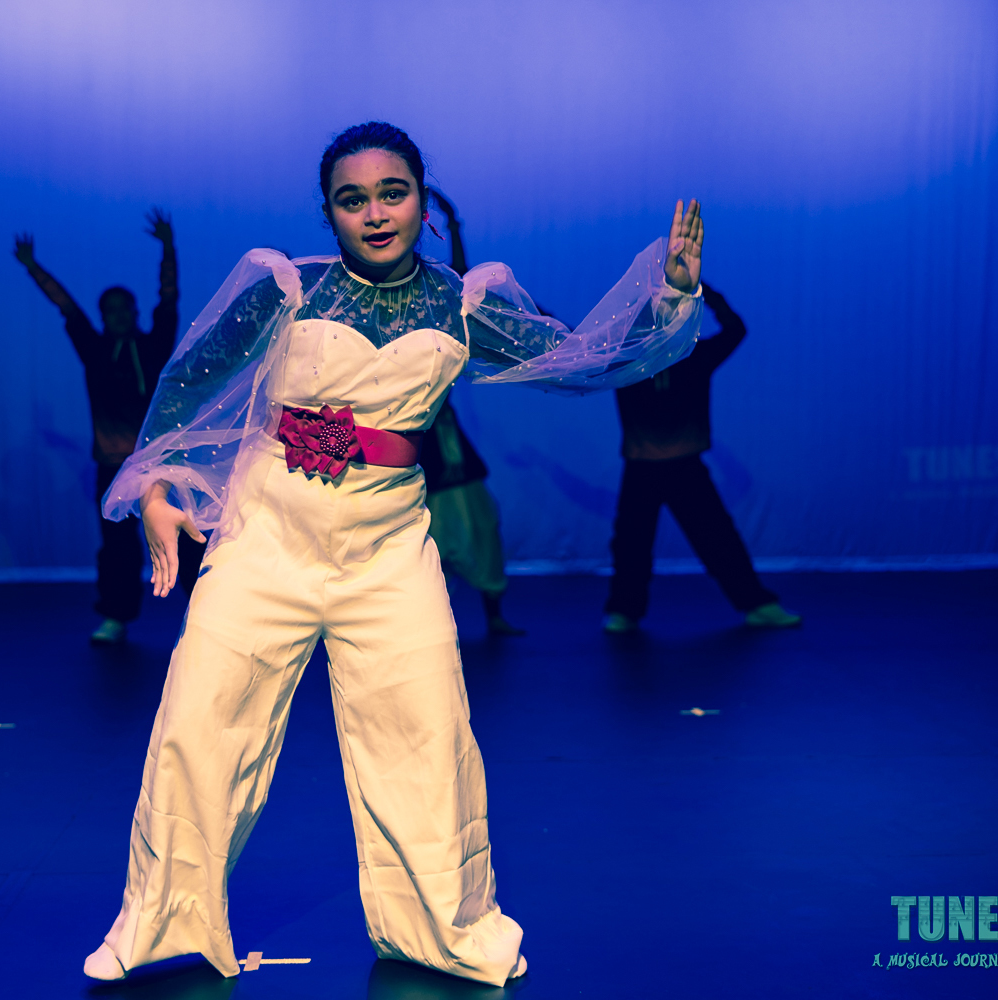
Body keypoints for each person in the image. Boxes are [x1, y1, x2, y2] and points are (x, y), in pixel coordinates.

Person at [84, 121, 706, 987]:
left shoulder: (464, 304)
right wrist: (156, 488)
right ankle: (155, 926)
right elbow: (188, 387)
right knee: (199, 725)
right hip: (267, 539)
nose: (375, 213)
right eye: (352, 200)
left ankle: (447, 932)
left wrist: (668, 296)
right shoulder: (286, 288)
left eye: (392, 193)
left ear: (421, 200)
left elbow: (580, 359)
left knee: (425, 738)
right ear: (329, 212)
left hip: (386, 552)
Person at [14, 211, 205, 645]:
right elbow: (65, 305)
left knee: (185, 534)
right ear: (103, 316)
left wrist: (168, 248)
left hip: (161, 461)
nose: (119, 315)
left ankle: (204, 611)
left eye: (124, 308)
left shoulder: (153, 345)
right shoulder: (95, 350)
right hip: (114, 463)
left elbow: (168, 299)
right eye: (110, 311)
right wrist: (33, 267)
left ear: (134, 311)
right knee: (117, 545)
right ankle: (116, 616)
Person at [602, 283, 801, 632]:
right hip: (643, 464)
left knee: (715, 536)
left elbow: (735, 330)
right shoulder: (627, 361)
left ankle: (756, 603)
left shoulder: (692, 356)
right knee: (632, 542)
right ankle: (624, 611)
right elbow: (572, 348)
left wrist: (701, 289)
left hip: (682, 464)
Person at [419, 187, 524, 636]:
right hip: (422, 456)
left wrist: (455, 225)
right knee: (430, 548)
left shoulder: (441, 312)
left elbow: (462, 289)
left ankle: (494, 615)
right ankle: (431, 624)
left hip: (452, 452)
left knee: (482, 531)